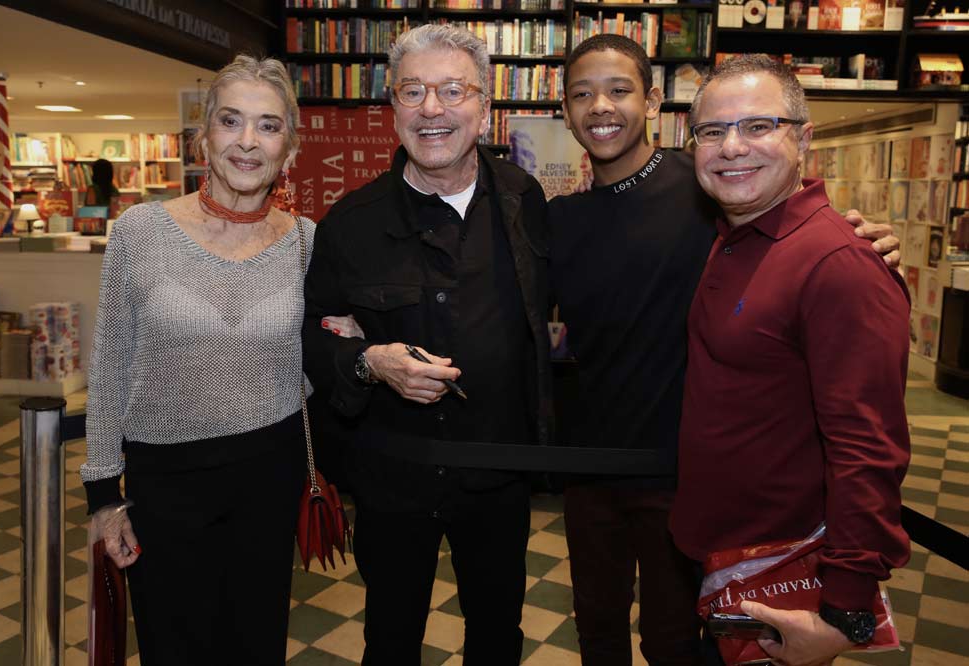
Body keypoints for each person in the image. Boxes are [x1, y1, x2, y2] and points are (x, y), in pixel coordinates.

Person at [549, 35, 901, 666]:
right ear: (565, 110)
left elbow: (865, 441)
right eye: (582, 93)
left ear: (653, 103)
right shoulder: (568, 218)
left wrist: (857, 243)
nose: (732, 148)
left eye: (620, 89)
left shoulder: (708, 189)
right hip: (600, 468)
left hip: (692, 482)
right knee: (598, 627)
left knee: (672, 641)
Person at [303, 24, 551, 665]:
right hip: (391, 478)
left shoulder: (525, 201)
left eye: (452, 90)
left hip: (498, 474)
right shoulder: (349, 224)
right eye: (412, 92)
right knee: (390, 638)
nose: (431, 109)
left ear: (485, 107)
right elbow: (309, 338)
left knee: (497, 636)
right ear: (393, 109)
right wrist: (368, 361)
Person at [670, 54, 911, 666]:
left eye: (758, 126)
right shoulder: (731, 236)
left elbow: (868, 446)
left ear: (803, 140)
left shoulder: (838, 263)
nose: (732, 147)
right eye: (712, 131)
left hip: (783, 576)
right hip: (724, 561)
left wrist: (844, 611)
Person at [81, 55, 311, 666]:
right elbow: (109, 366)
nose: (247, 141)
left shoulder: (308, 243)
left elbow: (312, 363)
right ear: (203, 136)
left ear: (289, 147)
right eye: (230, 121)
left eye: (268, 126)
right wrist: (103, 497)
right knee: (173, 648)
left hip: (270, 482)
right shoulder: (139, 232)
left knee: (256, 647)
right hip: (164, 490)